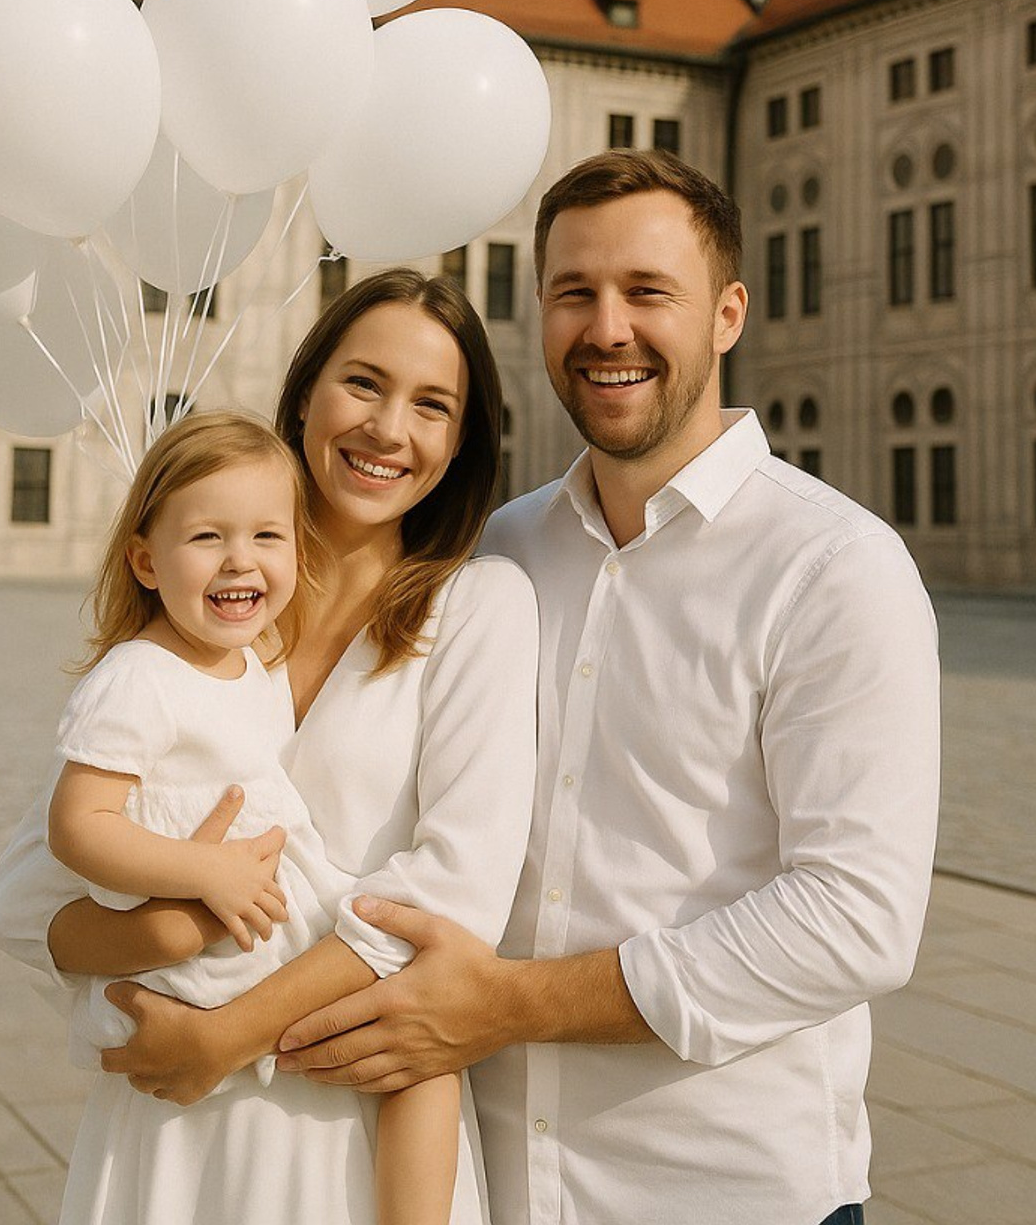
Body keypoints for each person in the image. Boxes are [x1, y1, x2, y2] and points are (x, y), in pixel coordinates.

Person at [260, 152, 941, 1225]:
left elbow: (855, 919)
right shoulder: (501, 549)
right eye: (573, 293)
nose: (606, 328)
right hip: (497, 1183)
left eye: (646, 291)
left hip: (719, 1193)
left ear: (727, 315)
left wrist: (510, 1006)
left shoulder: (833, 569)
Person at [0, 268, 539, 1225]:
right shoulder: (208, 623)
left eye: (432, 405)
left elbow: (454, 897)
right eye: (363, 383)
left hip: (343, 1112)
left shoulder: (479, 608)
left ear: (461, 443)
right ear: (305, 393)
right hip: (170, 1117)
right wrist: (171, 934)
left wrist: (230, 1035)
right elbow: (29, 897)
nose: (389, 429)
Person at [42, 408, 462, 1224]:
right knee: (417, 1048)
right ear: (145, 560)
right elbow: (77, 824)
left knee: (426, 1049)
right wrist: (202, 873)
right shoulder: (138, 678)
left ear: (298, 551)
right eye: (208, 538)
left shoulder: (249, 662)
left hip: (257, 916)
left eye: (267, 536)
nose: (241, 559)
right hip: (217, 946)